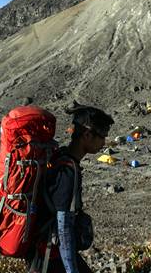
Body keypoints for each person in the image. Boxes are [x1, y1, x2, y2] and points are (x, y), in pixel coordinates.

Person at [27, 101, 114, 273]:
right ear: (87, 135)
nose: (104, 142)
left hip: (44, 251)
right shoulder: (68, 171)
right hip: (49, 257)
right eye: (102, 135)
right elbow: (64, 228)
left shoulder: (60, 156)